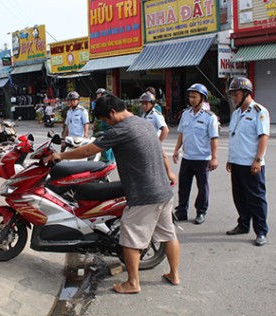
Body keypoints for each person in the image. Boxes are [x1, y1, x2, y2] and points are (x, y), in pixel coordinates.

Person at [46, 93, 180, 293]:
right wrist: (169, 173)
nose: (106, 124)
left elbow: (86, 151)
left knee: (130, 238)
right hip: (163, 190)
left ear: (112, 112)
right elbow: (160, 152)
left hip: (144, 194)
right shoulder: (142, 123)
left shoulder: (120, 130)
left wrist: (60, 155)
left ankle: (133, 283)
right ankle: (174, 274)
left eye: (105, 119)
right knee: (169, 234)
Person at [225, 77, 270, 247]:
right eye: (232, 95)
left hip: (252, 164)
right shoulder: (236, 113)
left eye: (236, 94)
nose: (233, 98)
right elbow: (235, 137)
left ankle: (261, 231)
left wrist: (258, 160)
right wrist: (230, 158)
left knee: (256, 199)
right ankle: (243, 224)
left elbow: (263, 136)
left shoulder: (259, 112)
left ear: (246, 94)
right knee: (239, 197)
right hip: (237, 163)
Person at [172, 83, 219, 225]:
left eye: (195, 96)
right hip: (187, 158)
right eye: (190, 96)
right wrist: (176, 150)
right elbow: (181, 133)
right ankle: (182, 211)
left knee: (202, 187)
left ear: (202, 98)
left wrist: (214, 158)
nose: (191, 99)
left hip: (202, 159)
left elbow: (213, 138)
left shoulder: (209, 117)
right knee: (183, 187)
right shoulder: (185, 114)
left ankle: (201, 212)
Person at [140, 92, 176, 184]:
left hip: (153, 143)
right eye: (142, 104)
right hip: (145, 144)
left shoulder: (156, 115)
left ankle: (170, 176)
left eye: (146, 104)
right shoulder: (144, 115)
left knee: (162, 157)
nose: (144, 106)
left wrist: (158, 142)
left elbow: (165, 130)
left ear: (152, 104)